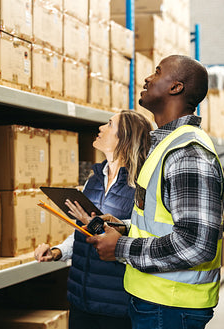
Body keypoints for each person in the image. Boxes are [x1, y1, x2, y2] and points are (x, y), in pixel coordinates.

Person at [86, 55, 224, 329]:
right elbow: (162, 222)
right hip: (155, 301)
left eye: (157, 72)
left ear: (175, 87)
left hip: (171, 307)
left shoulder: (188, 153)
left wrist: (121, 248)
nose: (148, 78)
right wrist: (124, 227)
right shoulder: (165, 146)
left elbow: (196, 245)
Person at [34, 110, 152, 329]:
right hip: (81, 299)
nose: (100, 128)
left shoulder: (140, 187)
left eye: (109, 124)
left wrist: (98, 226)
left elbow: (139, 240)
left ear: (125, 138)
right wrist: (57, 251)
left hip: (117, 303)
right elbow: (81, 232)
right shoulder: (94, 181)